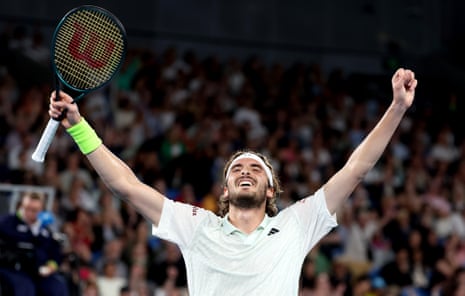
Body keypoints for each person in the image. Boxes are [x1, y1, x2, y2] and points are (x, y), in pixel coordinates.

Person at [47, 68, 417, 295]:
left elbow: (356, 169)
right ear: (224, 190)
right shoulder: (196, 225)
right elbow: (126, 185)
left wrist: (397, 107)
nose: (245, 171)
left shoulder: (296, 224)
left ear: (270, 190)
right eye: (236, 168)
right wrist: (79, 127)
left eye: (256, 169)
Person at [0, 192, 69, 296]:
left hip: (39, 272)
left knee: (57, 286)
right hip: (13, 269)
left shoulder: (45, 230)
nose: (30, 213)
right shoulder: (8, 223)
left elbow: (55, 253)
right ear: (21, 206)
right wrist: (32, 232)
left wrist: (50, 267)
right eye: (27, 208)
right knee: (25, 287)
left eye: (35, 210)